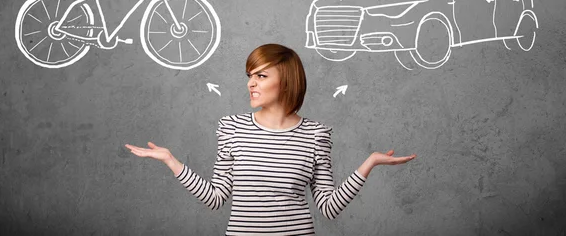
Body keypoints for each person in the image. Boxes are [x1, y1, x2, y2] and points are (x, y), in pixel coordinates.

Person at [126, 43, 416, 235]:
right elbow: (215, 199)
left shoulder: (316, 134)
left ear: (286, 81)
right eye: (250, 75)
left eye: (262, 76)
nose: (251, 83)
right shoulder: (231, 127)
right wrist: (170, 160)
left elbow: (329, 207)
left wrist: (370, 163)